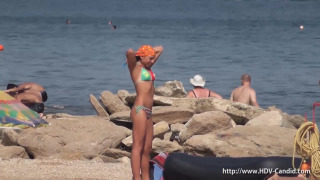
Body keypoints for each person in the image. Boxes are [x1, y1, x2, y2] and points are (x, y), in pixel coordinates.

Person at [126, 44, 163, 180]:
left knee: (147, 148)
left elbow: (161, 48)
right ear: (141, 57)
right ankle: (136, 177)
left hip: (149, 111)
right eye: (150, 58)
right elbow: (129, 52)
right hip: (140, 109)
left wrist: (149, 54)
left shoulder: (148, 67)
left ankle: (146, 177)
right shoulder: (135, 68)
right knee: (138, 146)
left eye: (153, 59)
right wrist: (138, 54)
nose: (152, 61)